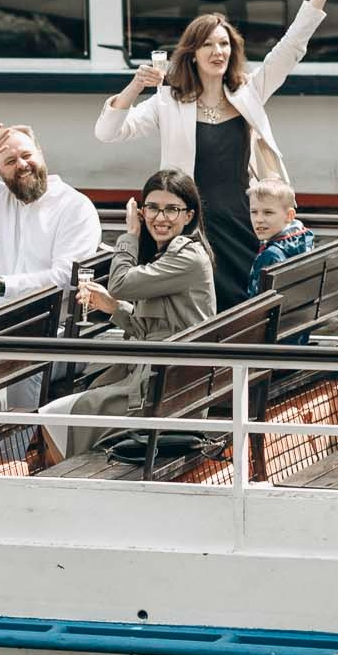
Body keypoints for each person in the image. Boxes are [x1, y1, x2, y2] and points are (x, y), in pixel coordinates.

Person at [96, 0, 338, 307]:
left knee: (244, 303)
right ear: (193, 54)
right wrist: (136, 84)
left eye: (224, 45)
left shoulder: (249, 91)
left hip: (242, 219)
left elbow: (292, 45)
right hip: (192, 225)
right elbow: (108, 132)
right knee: (199, 306)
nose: (219, 52)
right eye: (209, 46)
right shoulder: (168, 100)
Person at [40, 170, 217, 463]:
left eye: (172, 209)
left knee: (54, 414)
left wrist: (130, 235)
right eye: (153, 208)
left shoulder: (188, 257)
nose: (161, 218)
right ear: (143, 210)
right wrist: (112, 308)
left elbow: (120, 283)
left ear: (189, 215)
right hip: (164, 381)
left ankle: (61, 484)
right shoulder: (174, 254)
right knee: (60, 410)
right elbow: (155, 326)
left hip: (165, 392)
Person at [0, 122, 103, 310]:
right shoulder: (1, 197)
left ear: (40, 153)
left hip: (51, 329)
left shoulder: (76, 206)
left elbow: (67, 277)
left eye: (26, 155)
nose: (22, 164)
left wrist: (1, 286)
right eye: (10, 161)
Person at [243, 176, 317, 301]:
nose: (259, 220)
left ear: (289, 215)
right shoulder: (304, 239)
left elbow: (257, 304)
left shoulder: (270, 256)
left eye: (268, 212)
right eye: (254, 212)